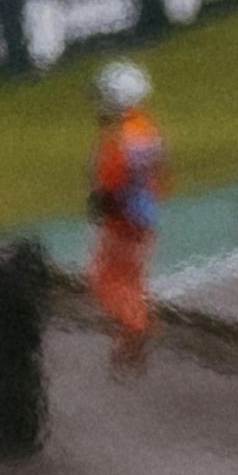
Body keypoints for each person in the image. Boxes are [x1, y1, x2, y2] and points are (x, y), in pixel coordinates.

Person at [85, 60, 163, 374]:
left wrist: (102, 203)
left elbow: (111, 183)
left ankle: (135, 325)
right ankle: (135, 325)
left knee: (105, 279)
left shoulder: (122, 138)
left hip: (121, 218)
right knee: (132, 277)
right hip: (143, 214)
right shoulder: (145, 129)